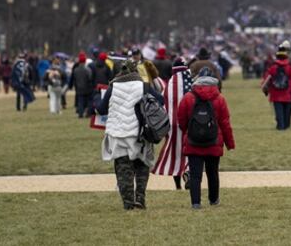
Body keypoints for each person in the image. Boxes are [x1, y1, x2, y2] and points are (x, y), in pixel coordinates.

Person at [96, 59, 163, 210]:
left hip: (118, 134)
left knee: (123, 169)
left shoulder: (113, 85)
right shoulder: (143, 85)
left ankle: (128, 203)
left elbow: (101, 109)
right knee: (142, 166)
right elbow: (160, 100)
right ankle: (140, 197)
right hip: (139, 133)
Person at [175, 73, 235, 209]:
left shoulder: (188, 98)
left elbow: (181, 120)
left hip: (193, 141)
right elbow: (225, 123)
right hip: (214, 141)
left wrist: (188, 131)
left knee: (195, 175)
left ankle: (195, 202)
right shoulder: (220, 99)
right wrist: (229, 143)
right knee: (212, 173)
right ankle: (213, 200)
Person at [154, 60, 193, 190]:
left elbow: (162, 104)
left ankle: (177, 185)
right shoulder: (190, 83)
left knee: (175, 153)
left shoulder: (169, 85)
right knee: (190, 150)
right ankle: (188, 172)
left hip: (172, 124)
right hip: (189, 123)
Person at [262, 42, 291, 130]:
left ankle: (280, 126)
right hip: (287, 93)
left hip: (275, 93)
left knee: (279, 112)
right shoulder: (289, 67)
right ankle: (286, 125)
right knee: (286, 111)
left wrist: (265, 89)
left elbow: (267, 79)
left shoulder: (273, 67)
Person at [70, 53, 95, 118]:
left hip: (79, 88)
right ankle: (88, 114)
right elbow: (90, 78)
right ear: (84, 61)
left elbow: (74, 79)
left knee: (80, 102)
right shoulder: (87, 69)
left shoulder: (75, 70)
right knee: (89, 101)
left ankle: (80, 114)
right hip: (87, 88)